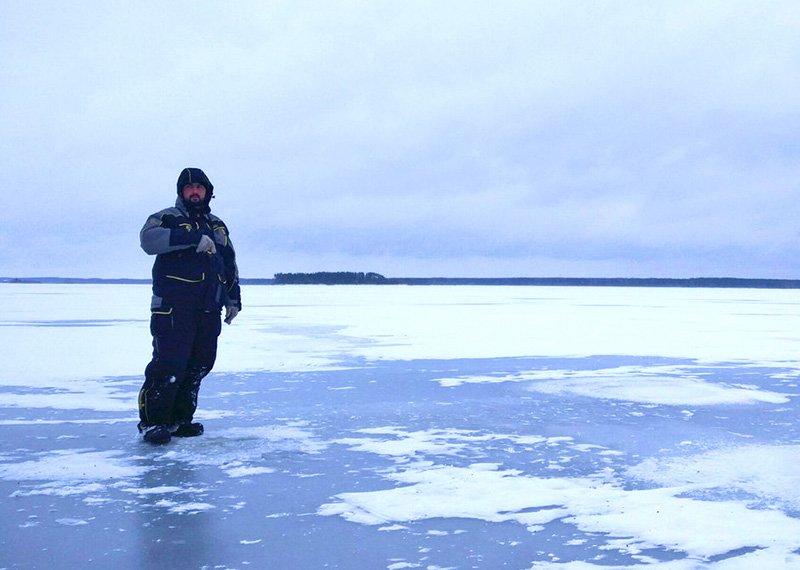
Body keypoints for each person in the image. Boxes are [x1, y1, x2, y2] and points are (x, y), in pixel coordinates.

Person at [137, 167, 241, 444]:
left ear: (208, 192)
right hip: (173, 307)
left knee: (199, 365)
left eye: (200, 188)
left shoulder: (217, 225)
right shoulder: (166, 218)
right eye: (189, 188)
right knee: (169, 365)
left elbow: (228, 262)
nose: (195, 192)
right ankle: (154, 423)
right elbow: (148, 241)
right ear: (181, 192)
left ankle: (180, 419)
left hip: (208, 308)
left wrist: (233, 299)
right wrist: (192, 240)